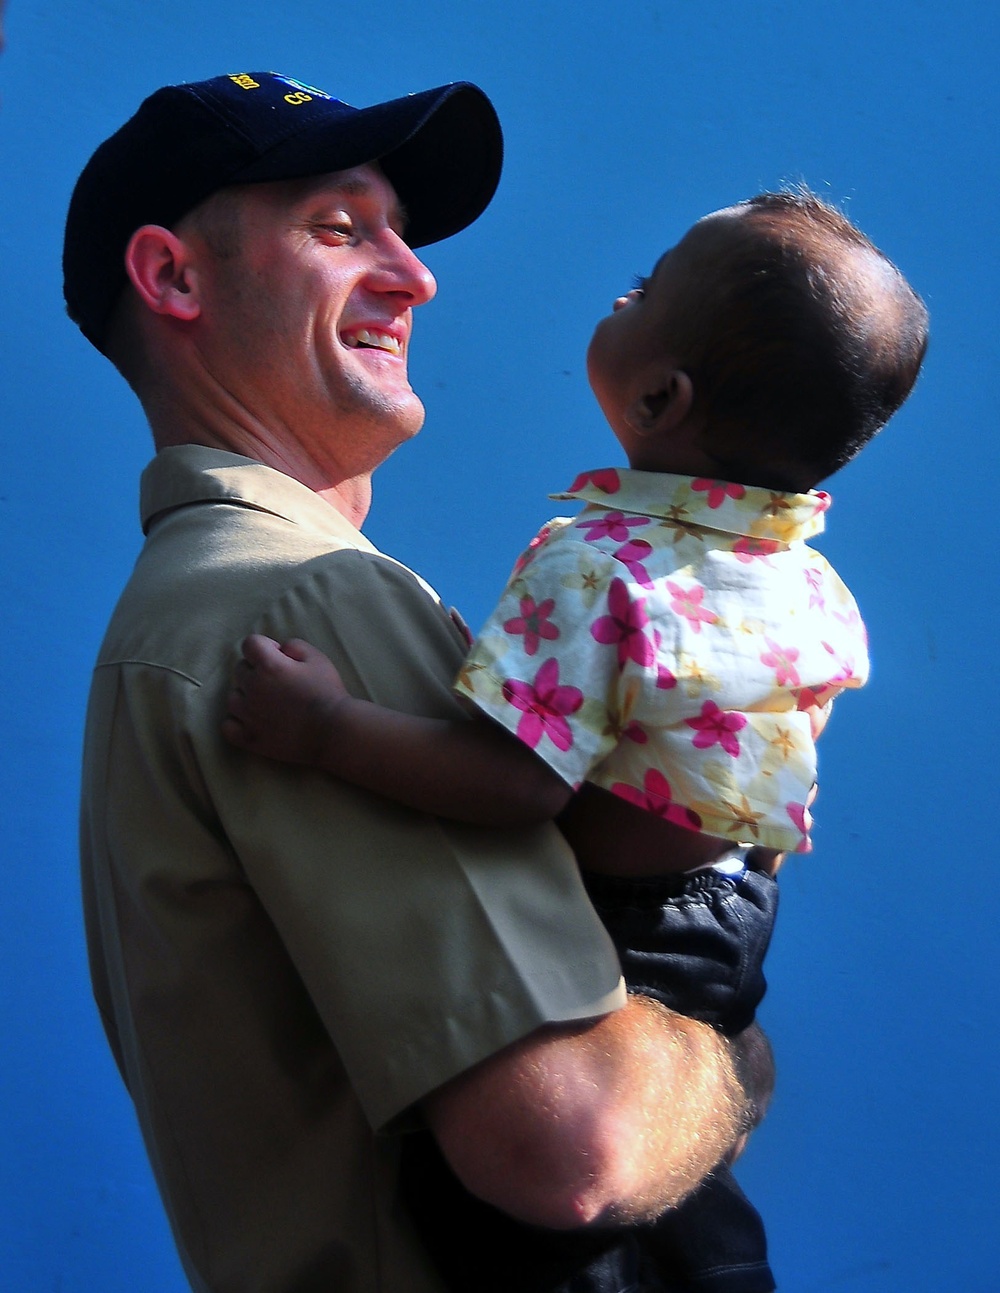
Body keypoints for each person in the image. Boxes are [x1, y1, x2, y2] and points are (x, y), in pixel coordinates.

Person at [67, 72, 777, 1293]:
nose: (414, 275)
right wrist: (728, 1053)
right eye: (340, 231)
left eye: (400, 232)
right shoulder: (307, 603)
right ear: (172, 278)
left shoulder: (171, 623)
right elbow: (573, 1151)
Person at [222, 189, 928, 973]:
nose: (626, 295)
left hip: (602, 928)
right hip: (736, 908)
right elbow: (786, 758)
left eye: (648, 288)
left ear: (660, 397)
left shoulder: (598, 567)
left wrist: (325, 726)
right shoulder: (810, 584)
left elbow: (519, 788)